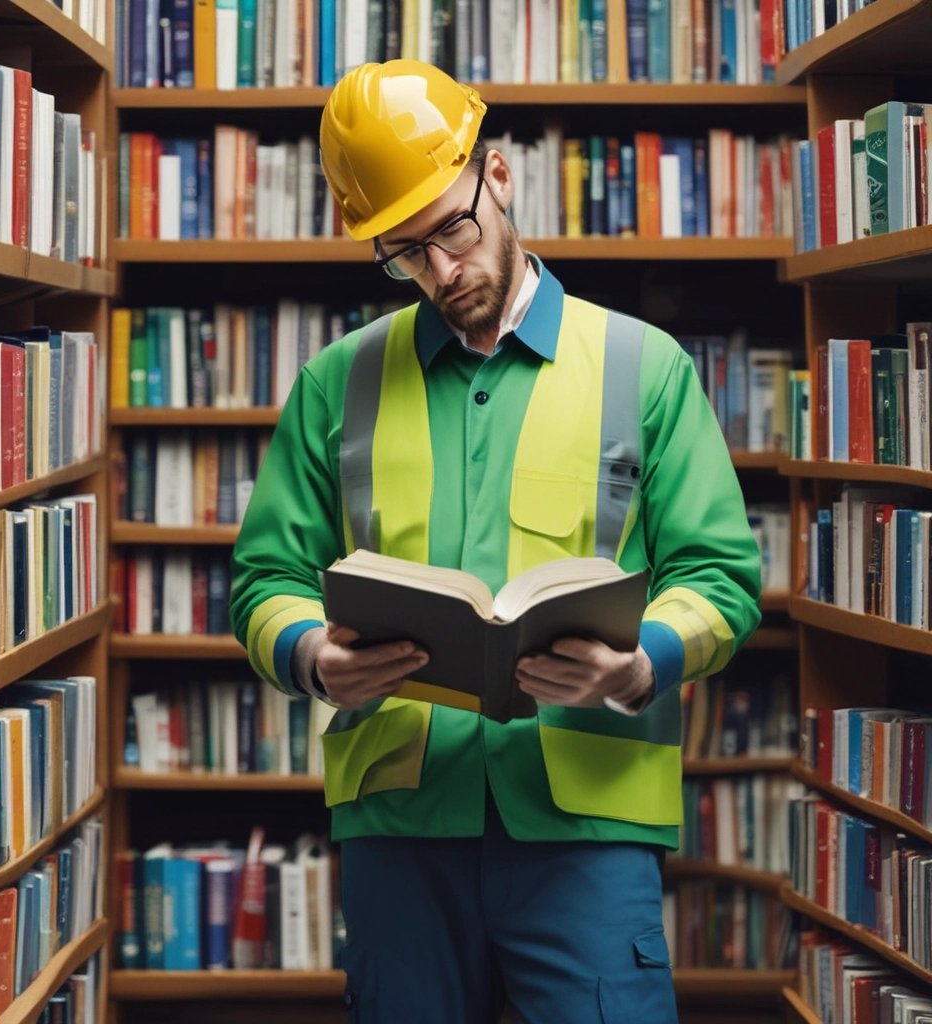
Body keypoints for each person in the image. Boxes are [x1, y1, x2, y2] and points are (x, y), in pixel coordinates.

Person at [230, 59, 761, 1024]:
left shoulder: (644, 368)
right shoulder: (335, 384)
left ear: (500, 176)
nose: (441, 271)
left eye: (455, 231)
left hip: (587, 821)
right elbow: (265, 577)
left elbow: (719, 575)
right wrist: (313, 656)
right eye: (404, 252)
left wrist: (641, 662)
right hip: (400, 819)